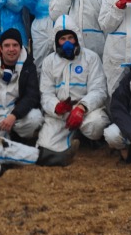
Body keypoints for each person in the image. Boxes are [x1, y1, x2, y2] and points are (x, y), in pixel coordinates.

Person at [36, 16, 108, 165]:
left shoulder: (91, 58)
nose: (67, 42)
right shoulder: (49, 61)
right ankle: (69, 139)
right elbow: (46, 93)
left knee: (96, 124)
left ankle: (86, 138)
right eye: (63, 39)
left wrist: (82, 108)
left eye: (70, 37)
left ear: (77, 38)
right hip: (61, 111)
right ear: (56, 41)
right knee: (45, 147)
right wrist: (56, 106)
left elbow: (99, 90)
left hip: (85, 111)